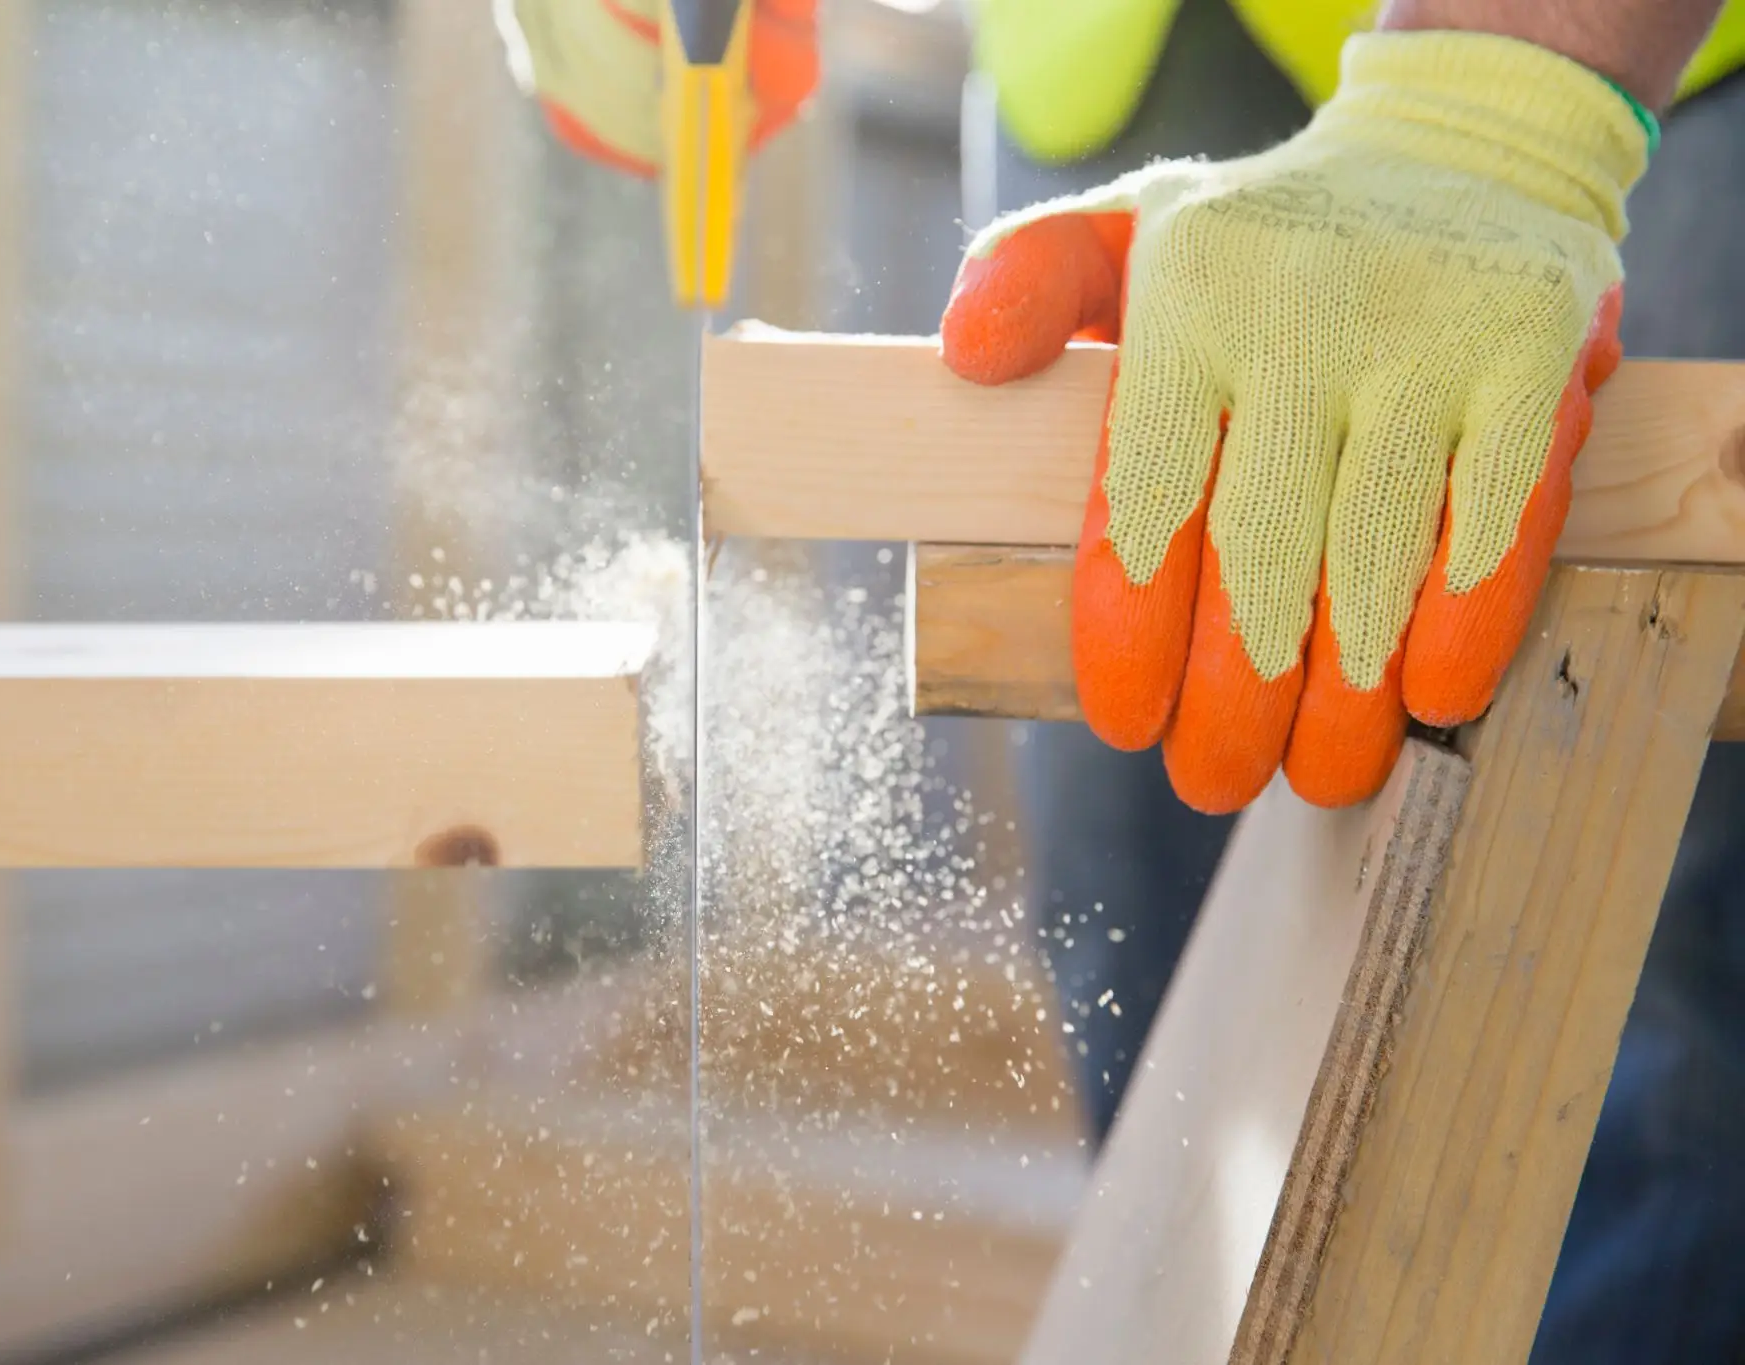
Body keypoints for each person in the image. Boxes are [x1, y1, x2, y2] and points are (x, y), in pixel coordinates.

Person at [497, 1, 1745, 1358]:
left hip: (1636, 65)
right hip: (1118, 46)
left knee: (1646, 908)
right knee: (1149, 828)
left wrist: (1505, 103)